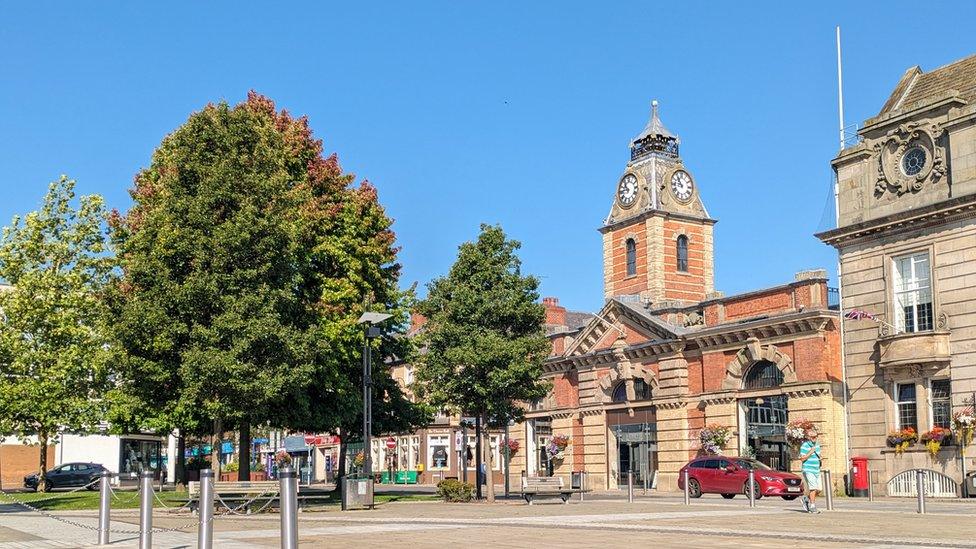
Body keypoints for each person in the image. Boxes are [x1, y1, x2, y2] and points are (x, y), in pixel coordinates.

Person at [799, 428, 823, 513]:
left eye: (816, 437)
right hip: (808, 469)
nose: (815, 439)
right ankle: (812, 506)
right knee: (813, 488)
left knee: (819, 489)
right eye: (813, 437)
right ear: (808, 437)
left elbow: (818, 453)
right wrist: (810, 452)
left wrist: (820, 457)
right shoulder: (804, 446)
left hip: (816, 469)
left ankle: (806, 499)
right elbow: (802, 459)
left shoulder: (817, 444)